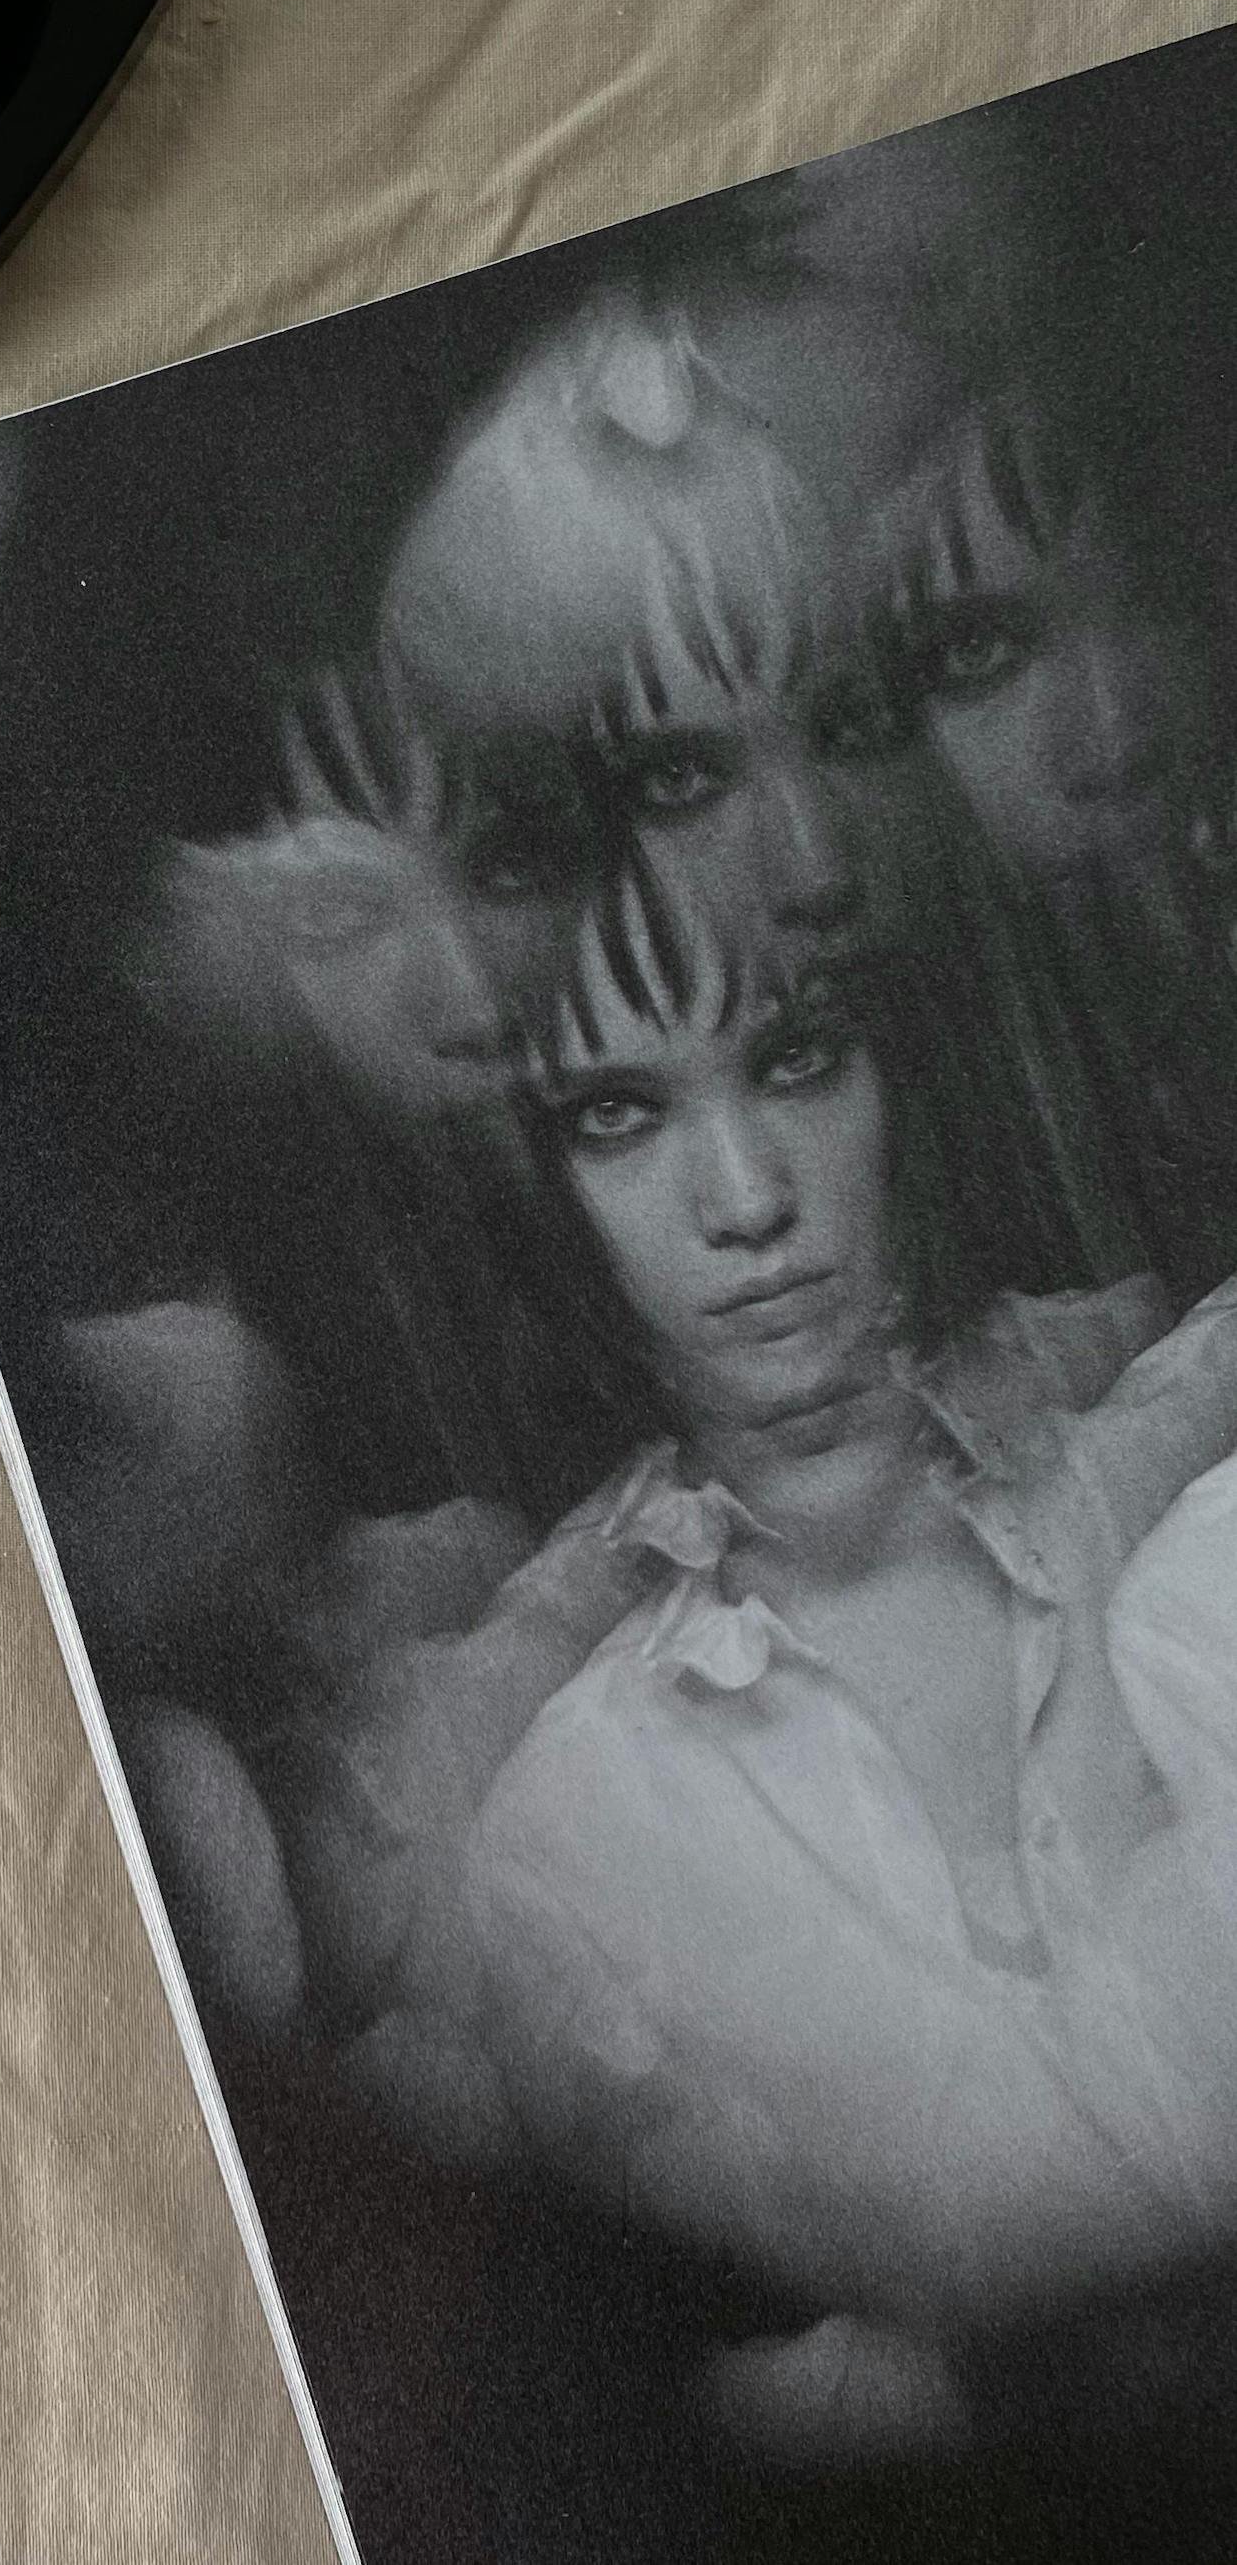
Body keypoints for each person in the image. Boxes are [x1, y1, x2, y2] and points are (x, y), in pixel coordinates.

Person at [455, 850, 1237, 2447]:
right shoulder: (573, 1839)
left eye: (799, 1061)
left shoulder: (1183, 1526)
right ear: (537, 1191)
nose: (747, 1199)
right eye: (620, 1115)